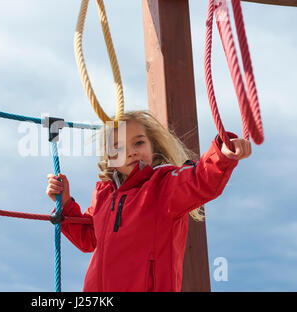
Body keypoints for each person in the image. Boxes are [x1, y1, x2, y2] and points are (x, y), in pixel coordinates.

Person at [45, 110, 251, 292]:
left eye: (139, 142)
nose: (131, 151)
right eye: (119, 147)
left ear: (153, 147)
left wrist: (222, 155)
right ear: (110, 159)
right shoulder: (104, 194)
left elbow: (200, 179)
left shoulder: (163, 186)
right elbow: (89, 237)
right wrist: (65, 204)